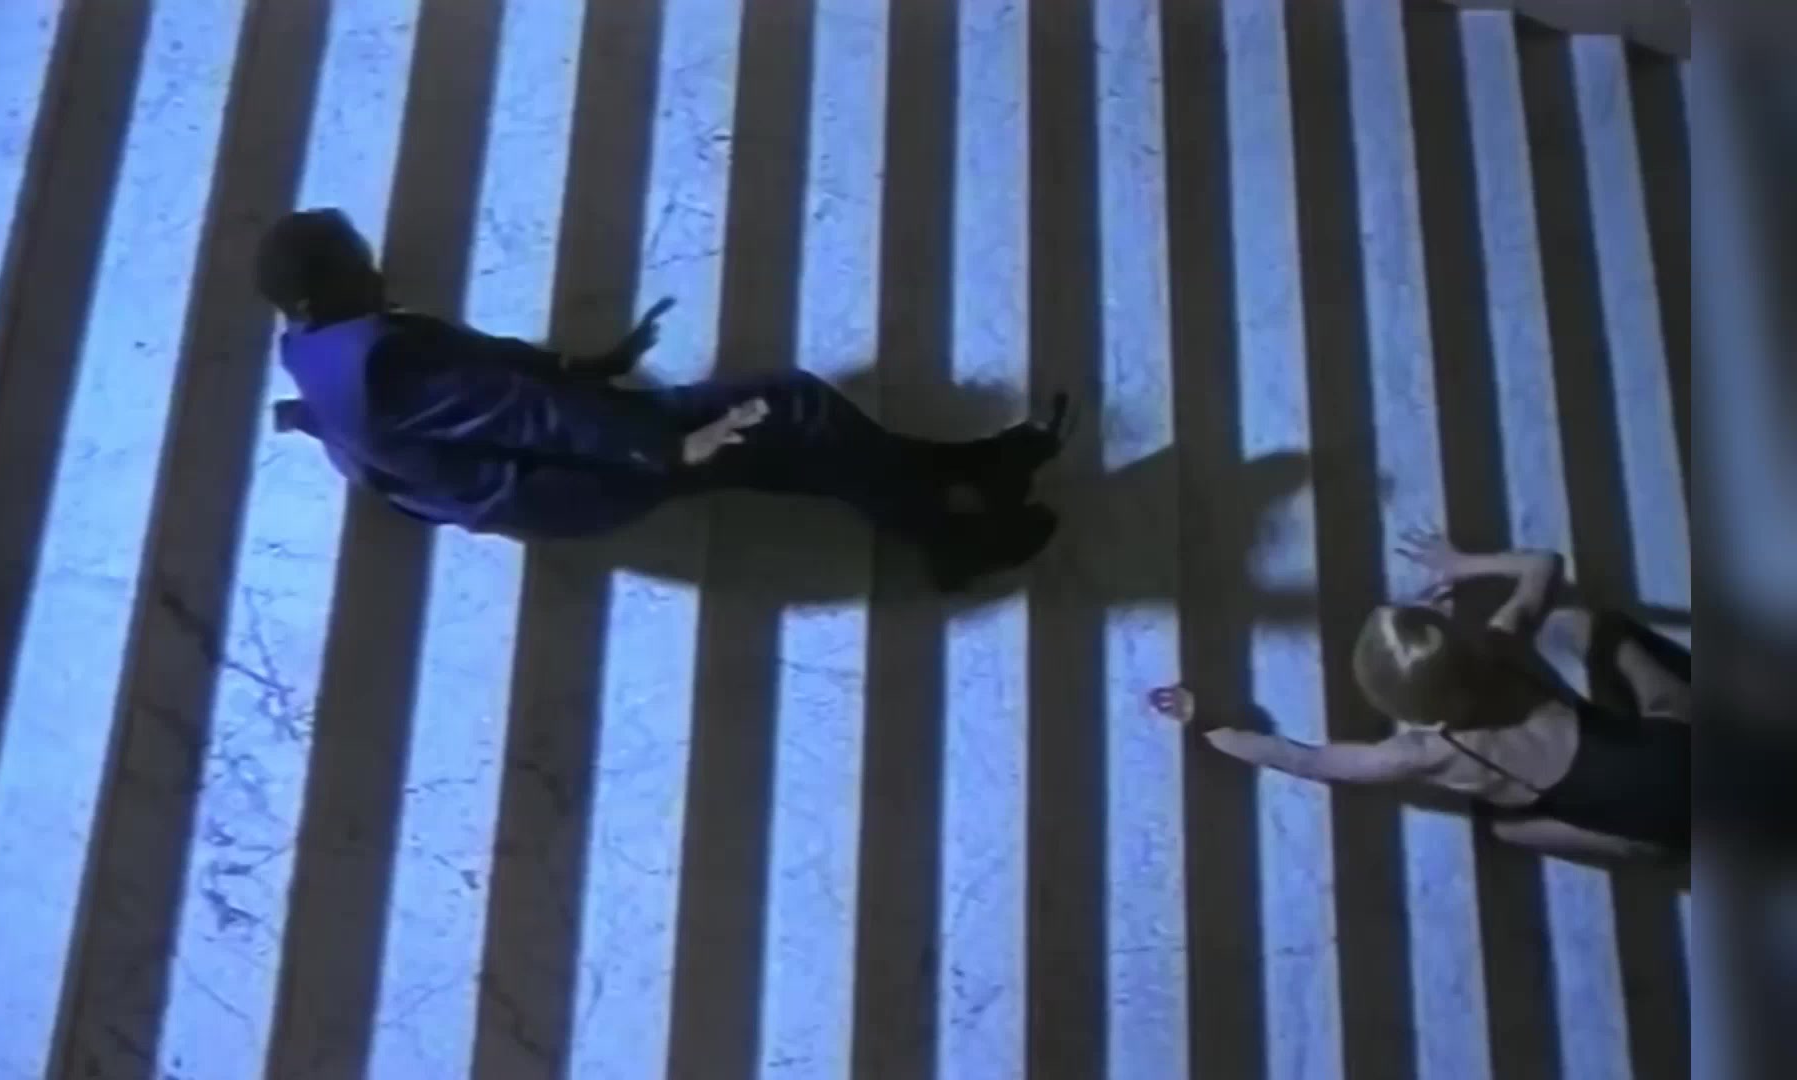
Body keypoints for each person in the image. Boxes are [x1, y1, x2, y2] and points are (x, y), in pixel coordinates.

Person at [256, 208, 1067, 590]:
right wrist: (665, 447)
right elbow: (523, 413)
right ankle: (945, 537)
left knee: (779, 445)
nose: (378, 273)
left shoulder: (317, 346)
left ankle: (963, 475)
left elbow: (485, 377)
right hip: (570, 474)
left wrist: (580, 363)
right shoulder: (377, 362)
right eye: (360, 268)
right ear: (320, 293)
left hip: (555, 461)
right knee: (792, 405)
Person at [1148, 530, 1690, 862]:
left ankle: (1656, 849)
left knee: (1506, 830)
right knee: (1594, 625)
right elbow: (1546, 564)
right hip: (1677, 749)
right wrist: (1464, 564)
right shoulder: (1503, 643)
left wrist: (1207, 722)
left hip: (1657, 827)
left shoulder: (1422, 753)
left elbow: (1308, 760)